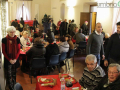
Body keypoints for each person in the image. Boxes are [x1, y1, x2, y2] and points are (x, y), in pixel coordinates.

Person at [2, 26, 20, 90]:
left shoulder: (17, 39)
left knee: (14, 73)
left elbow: (18, 50)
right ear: (8, 32)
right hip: (8, 60)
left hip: (15, 59)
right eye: (11, 32)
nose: (12, 33)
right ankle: (11, 87)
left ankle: (14, 85)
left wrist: (15, 59)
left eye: (14, 32)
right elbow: (3, 51)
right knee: (9, 75)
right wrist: (10, 60)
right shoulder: (4, 40)